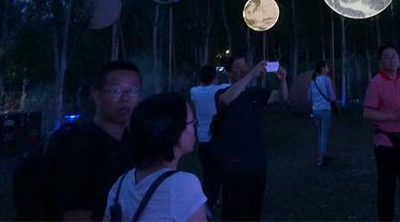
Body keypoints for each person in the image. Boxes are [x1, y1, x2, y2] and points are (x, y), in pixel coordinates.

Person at [56, 60, 142, 221]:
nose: (125, 98)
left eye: (132, 90)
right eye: (116, 91)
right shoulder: (81, 150)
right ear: (97, 96)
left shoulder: (133, 143)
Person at [104, 92, 206, 222]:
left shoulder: (121, 184)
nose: (194, 128)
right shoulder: (183, 185)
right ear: (174, 131)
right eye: (192, 122)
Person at [214, 54, 288, 221]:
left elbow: (281, 96)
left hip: (257, 164)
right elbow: (225, 100)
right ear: (229, 73)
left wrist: (282, 80)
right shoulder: (222, 92)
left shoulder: (255, 93)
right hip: (235, 167)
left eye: (245, 66)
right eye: (238, 67)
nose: (243, 70)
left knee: (254, 213)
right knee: (234, 214)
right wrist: (252, 74)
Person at [363, 44, 400, 221]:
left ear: (399, 60)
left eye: (394, 56)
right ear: (380, 61)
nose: (391, 59)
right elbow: (367, 113)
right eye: (387, 56)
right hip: (386, 143)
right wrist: (393, 116)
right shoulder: (376, 83)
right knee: (387, 189)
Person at [190, 63, 230, 210]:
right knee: (220, 172)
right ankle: (213, 201)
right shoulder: (222, 89)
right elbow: (235, 86)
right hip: (218, 138)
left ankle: (208, 201)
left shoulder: (194, 91)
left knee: (208, 173)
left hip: (202, 139)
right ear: (215, 76)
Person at [307, 60, 336, 167]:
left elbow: (308, 97)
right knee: (324, 134)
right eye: (327, 66)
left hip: (315, 110)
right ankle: (322, 157)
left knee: (320, 133)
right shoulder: (326, 80)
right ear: (323, 68)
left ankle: (321, 154)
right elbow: (332, 96)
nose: (328, 68)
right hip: (325, 110)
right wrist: (335, 105)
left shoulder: (313, 81)